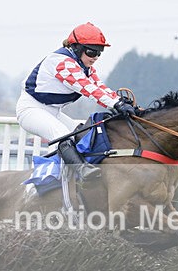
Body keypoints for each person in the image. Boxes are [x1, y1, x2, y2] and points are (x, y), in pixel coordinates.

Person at [16, 22, 135, 180]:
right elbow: (87, 88)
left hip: (52, 112)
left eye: (100, 52)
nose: (96, 57)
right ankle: (81, 171)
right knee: (63, 136)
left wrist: (120, 100)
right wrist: (116, 104)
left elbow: (99, 87)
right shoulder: (61, 62)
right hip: (31, 110)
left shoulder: (85, 68)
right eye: (92, 52)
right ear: (77, 48)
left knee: (83, 133)